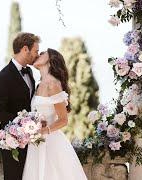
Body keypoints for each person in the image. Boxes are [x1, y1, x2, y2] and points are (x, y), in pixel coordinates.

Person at [22, 48, 88, 180]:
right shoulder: (39, 84)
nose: (38, 55)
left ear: (50, 60)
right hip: (36, 142)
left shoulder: (53, 84)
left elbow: (64, 120)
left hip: (50, 142)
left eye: (42, 53)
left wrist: (43, 131)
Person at [0, 32, 40, 180]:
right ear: (25, 49)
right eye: (36, 51)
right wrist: (23, 123)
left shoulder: (29, 72)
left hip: (30, 141)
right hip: (12, 141)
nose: (37, 55)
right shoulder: (3, 77)